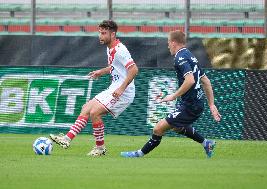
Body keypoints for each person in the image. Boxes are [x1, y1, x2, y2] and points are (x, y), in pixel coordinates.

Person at [121, 30, 221, 158]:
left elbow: (189, 80)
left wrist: (173, 96)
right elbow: (205, 81)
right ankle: (207, 143)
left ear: (173, 43)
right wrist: (211, 105)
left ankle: (138, 154)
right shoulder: (190, 55)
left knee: (158, 128)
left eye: (168, 43)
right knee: (176, 127)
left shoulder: (180, 58)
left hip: (191, 105)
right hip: (193, 102)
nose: (168, 46)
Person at [50, 20, 138, 157]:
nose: (100, 36)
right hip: (114, 87)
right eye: (99, 33)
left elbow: (134, 70)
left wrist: (121, 89)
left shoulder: (120, 50)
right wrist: (101, 72)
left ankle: (100, 148)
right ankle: (66, 139)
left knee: (94, 112)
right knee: (86, 108)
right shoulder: (110, 47)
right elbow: (115, 67)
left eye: (104, 33)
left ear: (113, 34)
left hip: (124, 92)